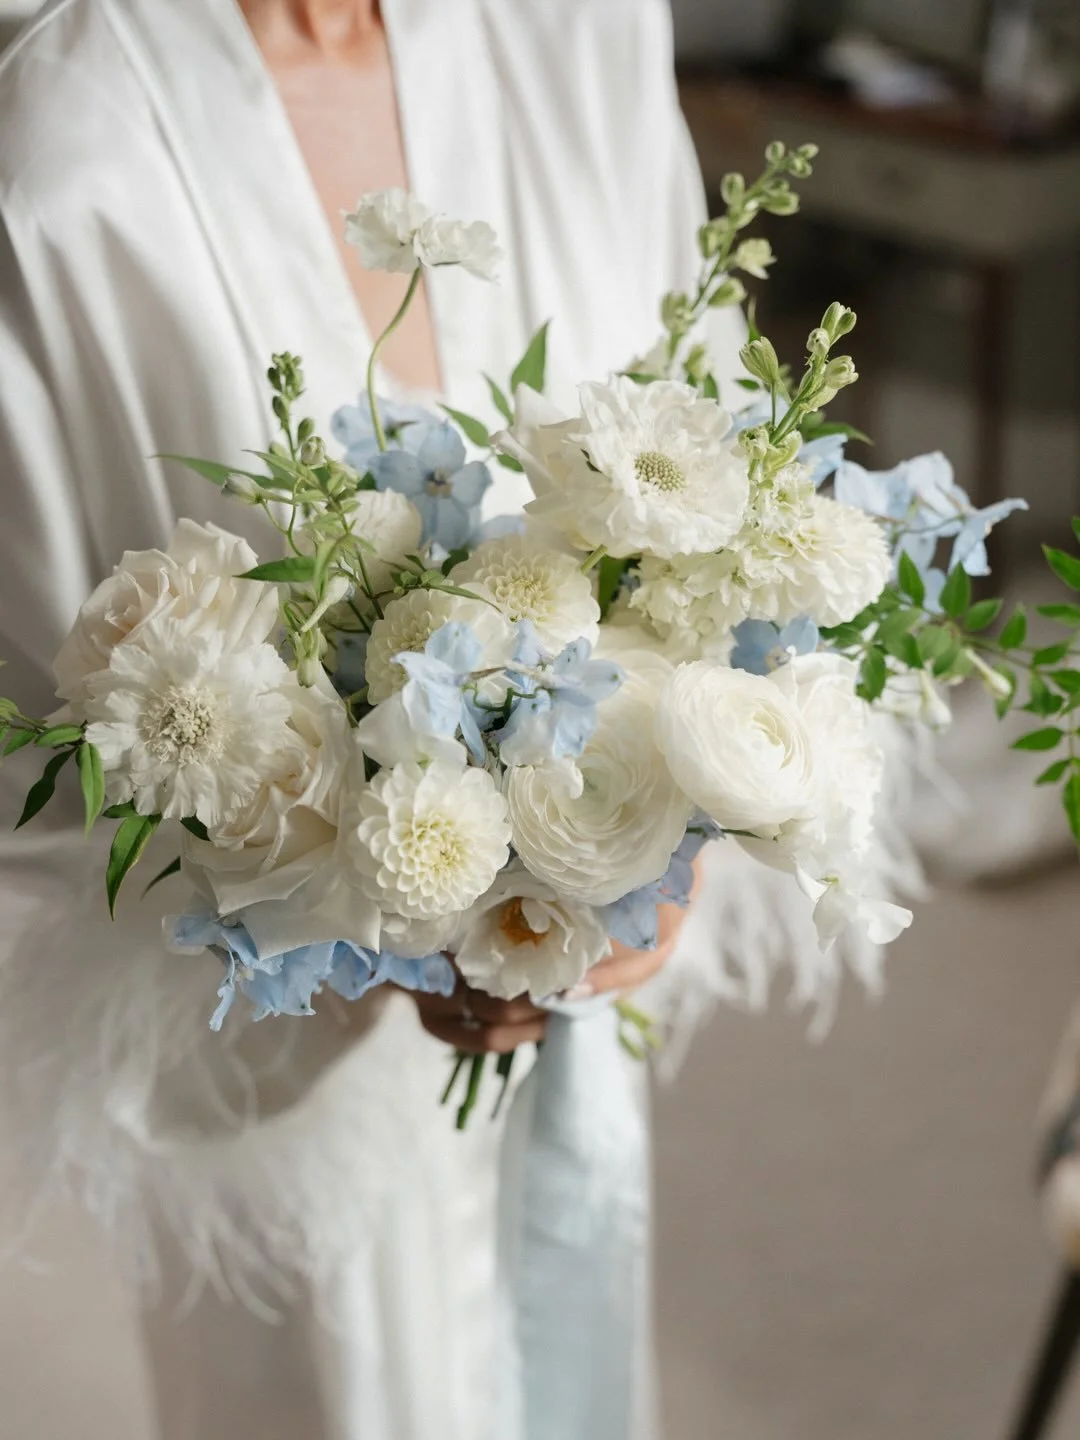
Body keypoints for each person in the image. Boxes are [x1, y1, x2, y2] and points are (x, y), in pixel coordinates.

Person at [0, 2, 750, 1437]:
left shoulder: (580, 35)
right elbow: (33, 752)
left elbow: (703, 471)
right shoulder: (60, 165)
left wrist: (673, 806)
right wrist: (355, 908)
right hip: (284, 1065)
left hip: (571, 987)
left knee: (575, 1335)